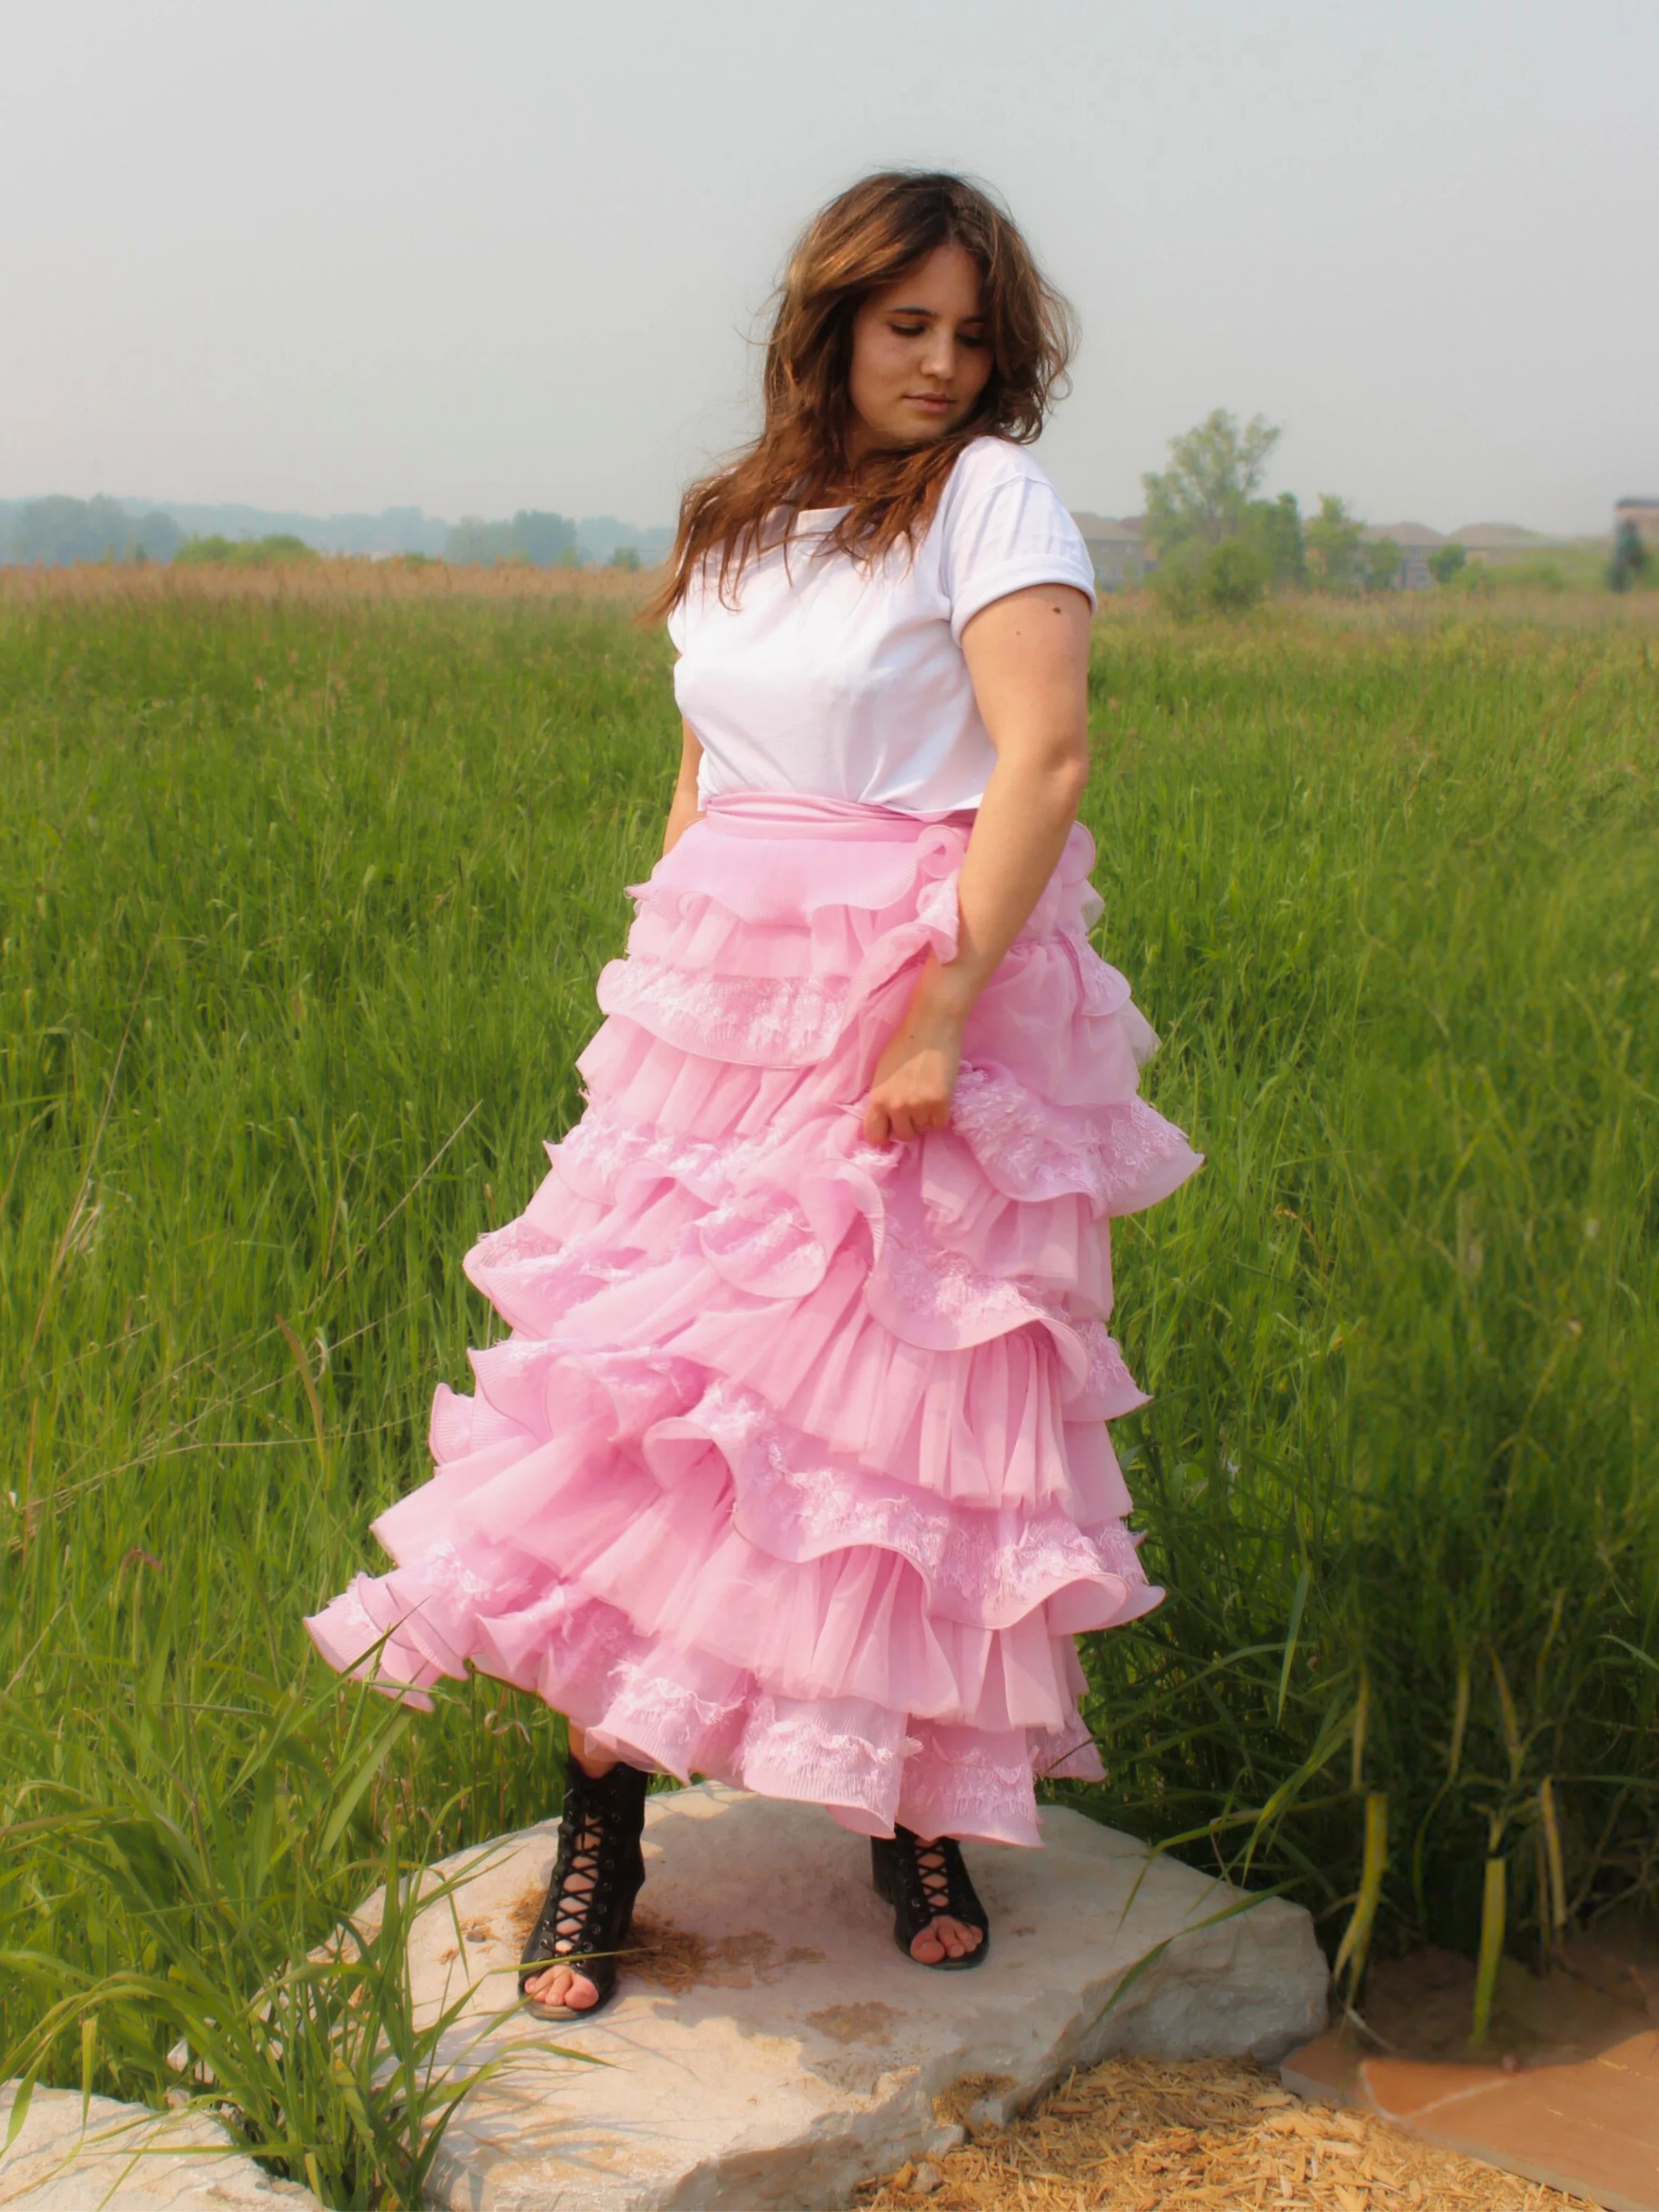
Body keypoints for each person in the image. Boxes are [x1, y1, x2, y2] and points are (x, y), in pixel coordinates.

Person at [305, 169, 1201, 2020]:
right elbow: (703, 779)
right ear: (833, 320)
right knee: (654, 1409)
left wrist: (945, 1002)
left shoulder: (992, 499)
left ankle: (913, 1803)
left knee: (894, 1421)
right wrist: (658, 994)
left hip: (909, 974)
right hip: (718, 998)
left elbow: (1045, 752)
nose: (943, 364)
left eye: (970, 333)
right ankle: (602, 1832)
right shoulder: (740, 516)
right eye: (907, 327)